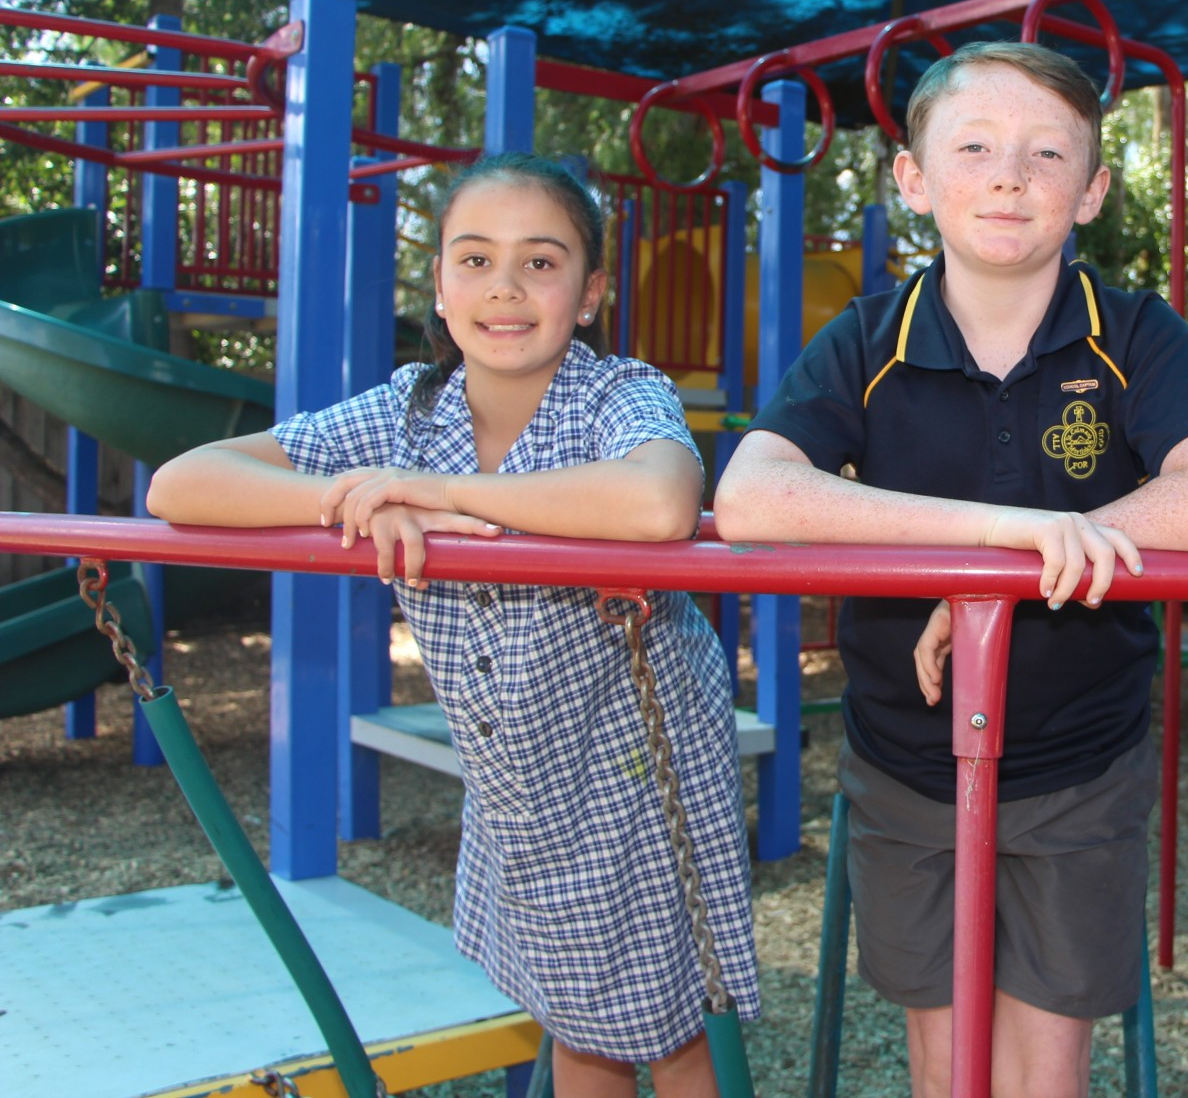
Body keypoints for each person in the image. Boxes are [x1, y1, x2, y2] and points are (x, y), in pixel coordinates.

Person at [714, 41, 1188, 1098]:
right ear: (911, 177)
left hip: (1078, 761)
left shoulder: (1133, 333)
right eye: (974, 146)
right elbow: (749, 492)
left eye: (1047, 153)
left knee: (1044, 1060)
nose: (1011, 176)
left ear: (1091, 191)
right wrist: (1001, 541)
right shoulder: (869, 337)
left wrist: (1008, 572)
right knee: (945, 1053)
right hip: (908, 759)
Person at [147, 153, 756, 1098]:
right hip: (515, 771)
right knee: (572, 1015)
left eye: (540, 263)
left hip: (639, 761)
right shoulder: (408, 409)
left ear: (590, 292)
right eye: (474, 260)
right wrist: (344, 499)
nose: (504, 288)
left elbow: (658, 502)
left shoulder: (615, 393)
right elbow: (178, 482)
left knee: (669, 1022)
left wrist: (431, 491)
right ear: (438, 285)